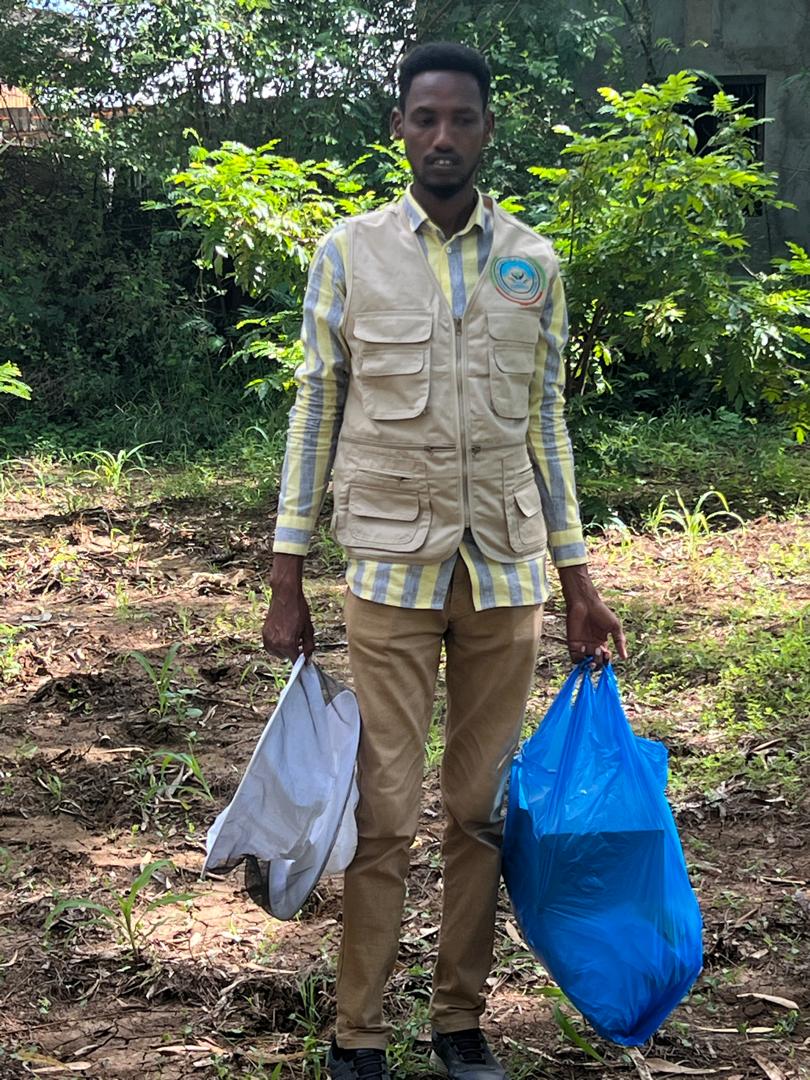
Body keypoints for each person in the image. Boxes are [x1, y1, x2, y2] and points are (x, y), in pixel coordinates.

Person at [262, 41, 627, 1080]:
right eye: (424, 119)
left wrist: (580, 578)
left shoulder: (534, 264)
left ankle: (459, 1023)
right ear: (400, 130)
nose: (442, 138)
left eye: (460, 119)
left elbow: (545, 427)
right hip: (386, 566)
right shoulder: (350, 252)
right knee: (383, 812)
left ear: (486, 131)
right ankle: (359, 1034)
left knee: (478, 810)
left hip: (506, 573)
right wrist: (286, 573)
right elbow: (316, 408)